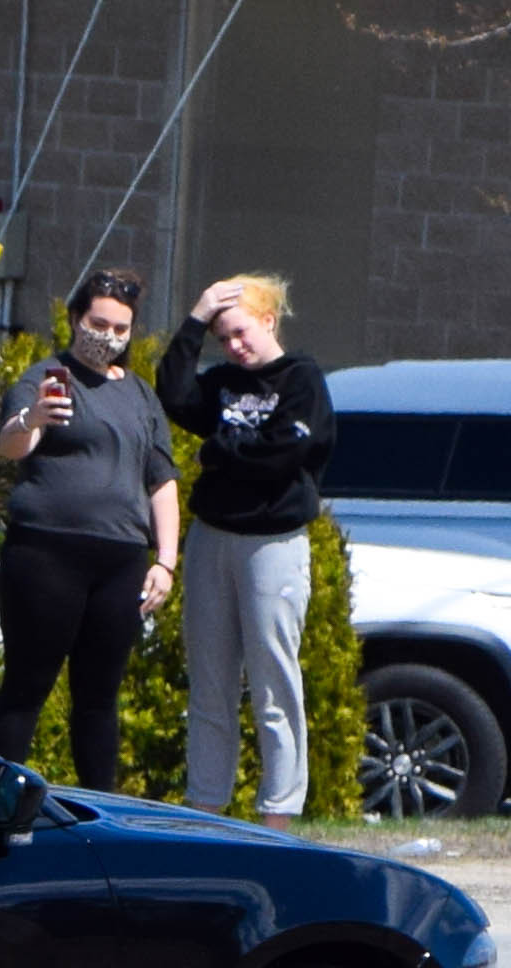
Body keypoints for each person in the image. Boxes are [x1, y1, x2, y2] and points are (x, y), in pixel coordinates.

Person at [0, 268, 181, 792]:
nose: (108, 337)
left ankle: (100, 814)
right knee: (27, 685)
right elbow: (9, 445)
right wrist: (34, 419)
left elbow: (161, 479)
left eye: (121, 328)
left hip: (119, 560)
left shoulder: (140, 393)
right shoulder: (44, 376)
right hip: (46, 552)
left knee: (99, 696)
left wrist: (166, 559)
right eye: (98, 323)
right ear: (74, 318)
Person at [154, 273, 336, 830]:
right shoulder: (224, 383)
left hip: (272, 544)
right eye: (223, 338)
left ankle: (277, 815)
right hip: (214, 538)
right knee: (210, 682)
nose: (234, 346)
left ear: (268, 321)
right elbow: (175, 393)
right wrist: (195, 317)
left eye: (240, 333)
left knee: (273, 682)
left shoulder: (302, 379)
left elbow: (285, 451)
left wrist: (219, 450)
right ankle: (205, 808)